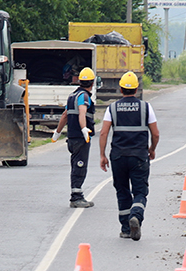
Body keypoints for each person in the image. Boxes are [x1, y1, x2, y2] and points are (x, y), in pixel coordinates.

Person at [98, 71, 160, 240]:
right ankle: (136, 214)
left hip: (118, 157)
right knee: (140, 191)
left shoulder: (112, 108)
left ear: (120, 89)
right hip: (139, 156)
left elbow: (103, 133)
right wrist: (152, 148)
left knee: (122, 191)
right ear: (137, 89)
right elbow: (155, 133)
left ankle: (126, 228)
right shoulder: (146, 107)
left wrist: (102, 155)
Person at [51, 67, 97, 208]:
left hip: (72, 137)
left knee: (76, 165)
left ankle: (78, 194)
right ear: (92, 82)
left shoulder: (72, 96)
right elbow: (82, 113)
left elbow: (65, 115)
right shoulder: (83, 96)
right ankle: (76, 197)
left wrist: (57, 132)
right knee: (79, 166)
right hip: (80, 137)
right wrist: (84, 129)